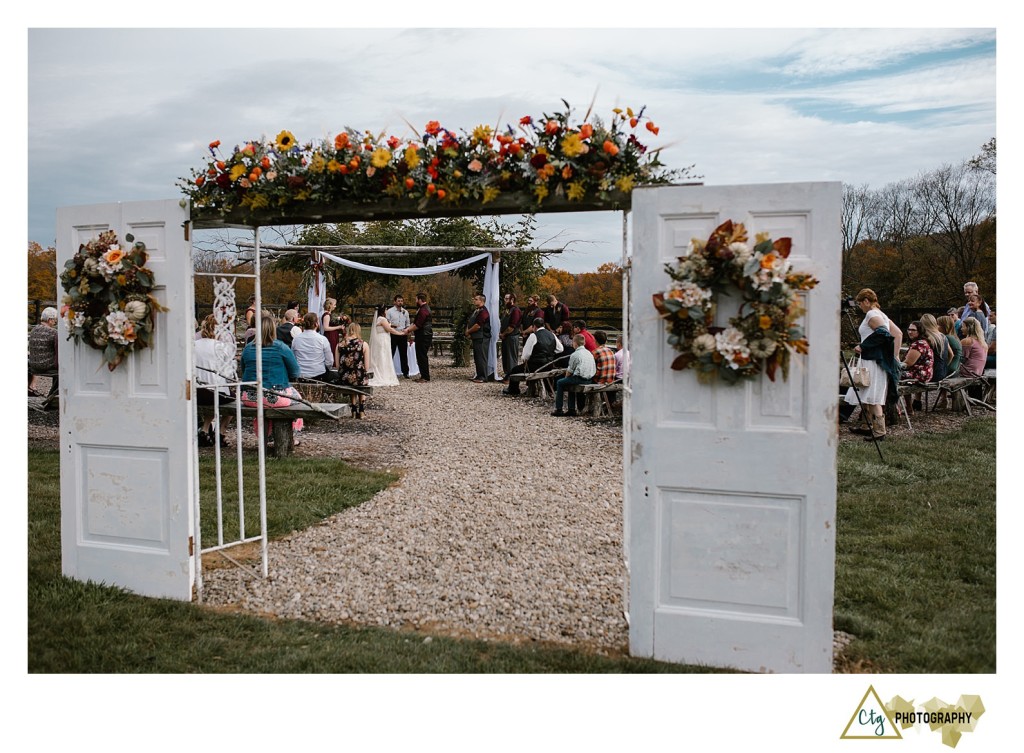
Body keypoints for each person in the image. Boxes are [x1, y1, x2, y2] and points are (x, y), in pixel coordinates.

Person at [845, 289, 901, 441]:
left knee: (873, 394)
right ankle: (866, 425)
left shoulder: (872, 314)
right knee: (866, 392)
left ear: (866, 301)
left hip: (872, 361)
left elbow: (884, 333)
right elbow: (898, 333)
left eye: (860, 304)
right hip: (872, 359)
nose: (860, 307)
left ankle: (879, 431)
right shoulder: (882, 315)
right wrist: (893, 355)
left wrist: (864, 346)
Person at [240, 313, 302, 444]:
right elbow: (296, 371)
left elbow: (244, 370)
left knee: (263, 404)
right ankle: (291, 434)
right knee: (298, 399)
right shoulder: (281, 347)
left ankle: (265, 432)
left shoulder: (247, 348)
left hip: (249, 397)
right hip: (275, 395)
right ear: (273, 329)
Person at [193, 314, 235, 447]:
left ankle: (205, 430)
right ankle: (220, 433)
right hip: (214, 393)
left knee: (213, 395)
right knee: (234, 401)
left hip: (196, 392)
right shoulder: (221, 347)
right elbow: (230, 372)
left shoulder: (193, 345)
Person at [502, 318, 564, 395]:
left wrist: (525, 359)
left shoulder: (533, 336)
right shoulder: (552, 334)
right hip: (549, 365)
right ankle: (548, 390)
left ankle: (513, 390)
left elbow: (526, 355)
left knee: (515, 370)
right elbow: (560, 349)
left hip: (536, 365)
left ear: (534, 326)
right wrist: (550, 352)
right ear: (543, 325)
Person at [551, 334, 596, 417]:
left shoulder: (575, 354)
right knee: (569, 382)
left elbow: (569, 371)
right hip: (589, 378)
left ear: (575, 343)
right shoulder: (589, 353)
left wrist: (566, 378)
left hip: (579, 378)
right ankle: (571, 409)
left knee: (560, 382)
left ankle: (559, 409)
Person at [337, 321, 371, 417]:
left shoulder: (340, 345)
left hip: (344, 378)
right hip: (358, 378)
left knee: (351, 375)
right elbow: (367, 367)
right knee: (361, 376)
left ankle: (353, 409)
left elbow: (337, 366)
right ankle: (361, 410)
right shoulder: (363, 344)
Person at [899, 321, 933, 414]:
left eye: (913, 330)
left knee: (892, 376)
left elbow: (908, 363)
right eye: (909, 329)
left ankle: (894, 409)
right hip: (924, 372)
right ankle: (909, 408)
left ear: (919, 331)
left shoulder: (918, 344)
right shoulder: (922, 342)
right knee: (899, 375)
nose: (910, 332)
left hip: (920, 373)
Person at [291, 312, 334, 380]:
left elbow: (293, 358)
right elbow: (329, 361)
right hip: (319, 374)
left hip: (301, 375)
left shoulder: (296, 339)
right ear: (316, 324)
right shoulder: (322, 339)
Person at [28, 306, 59, 399]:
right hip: (46, 366)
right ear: (50, 320)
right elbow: (58, 353)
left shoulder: (33, 330)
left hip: (33, 365)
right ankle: (53, 396)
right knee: (62, 368)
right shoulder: (53, 332)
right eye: (54, 320)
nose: (55, 322)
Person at [367, 304, 400, 387]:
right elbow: (389, 329)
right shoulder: (382, 319)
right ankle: (383, 374)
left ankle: (381, 371)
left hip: (381, 338)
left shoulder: (378, 319)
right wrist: (400, 333)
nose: (387, 311)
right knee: (383, 356)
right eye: (386, 310)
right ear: (383, 310)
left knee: (380, 356)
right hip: (383, 340)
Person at [465, 294, 492, 383]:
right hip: (476, 337)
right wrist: (467, 330)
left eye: (476, 299)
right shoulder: (476, 310)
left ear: (481, 301)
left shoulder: (483, 312)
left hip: (482, 337)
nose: (474, 300)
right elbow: (470, 321)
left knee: (482, 357)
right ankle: (478, 375)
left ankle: (483, 377)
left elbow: (478, 325)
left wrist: (469, 332)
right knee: (477, 357)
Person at [407, 292, 433, 382]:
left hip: (424, 335)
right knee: (420, 355)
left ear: (420, 300)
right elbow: (415, 323)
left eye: (416, 299)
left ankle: (425, 377)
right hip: (423, 335)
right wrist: (408, 328)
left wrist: (407, 330)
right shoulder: (423, 309)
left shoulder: (423, 310)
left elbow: (418, 325)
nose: (415, 301)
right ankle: (424, 376)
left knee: (422, 356)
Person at [919, 313, 951, 383]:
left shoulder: (927, 338)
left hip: (931, 374)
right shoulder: (943, 336)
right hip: (943, 372)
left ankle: (917, 394)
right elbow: (951, 354)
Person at [386, 294, 412, 379]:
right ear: (395, 302)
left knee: (403, 354)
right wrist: (393, 326)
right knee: (391, 353)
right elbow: (387, 323)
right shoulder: (390, 311)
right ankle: (387, 371)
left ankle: (406, 372)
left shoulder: (405, 312)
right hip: (393, 334)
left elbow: (408, 324)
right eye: (398, 301)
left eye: (401, 301)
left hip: (402, 335)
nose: (400, 302)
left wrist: (407, 333)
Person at [499, 292, 523, 382]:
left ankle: (512, 377)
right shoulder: (506, 310)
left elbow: (512, 326)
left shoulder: (515, 310)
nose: (505, 301)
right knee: (505, 357)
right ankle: (507, 375)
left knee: (511, 358)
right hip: (505, 337)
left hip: (512, 337)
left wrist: (503, 334)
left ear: (512, 300)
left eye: (506, 299)